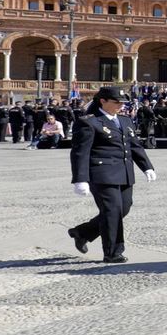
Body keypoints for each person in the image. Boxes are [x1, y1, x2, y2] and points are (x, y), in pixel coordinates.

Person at [67, 86, 157, 262]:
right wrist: (80, 179)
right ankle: (113, 252)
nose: (121, 106)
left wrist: (147, 167)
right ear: (103, 101)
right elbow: (80, 152)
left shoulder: (124, 121)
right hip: (102, 173)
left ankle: (83, 232)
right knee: (112, 210)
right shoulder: (90, 122)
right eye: (117, 102)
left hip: (124, 172)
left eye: (123, 103)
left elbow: (134, 146)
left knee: (124, 208)